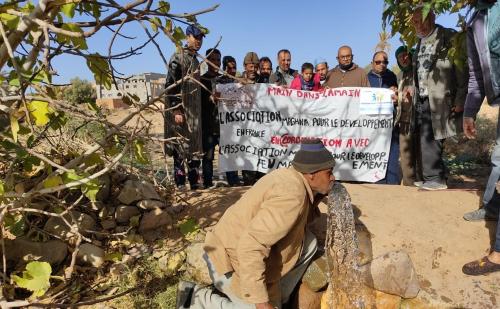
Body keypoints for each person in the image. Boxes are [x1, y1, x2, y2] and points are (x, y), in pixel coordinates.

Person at [177, 138, 336, 309]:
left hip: (239, 252)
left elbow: (291, 223)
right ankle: (199, 296)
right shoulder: (292, 195)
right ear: (311, 174)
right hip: (228, 261)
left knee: (309, 243)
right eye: (329, 173)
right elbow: (250, 246)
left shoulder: (293, 178)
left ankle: (278, 299)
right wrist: (261, 302)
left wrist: (316, 197)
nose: (333, 177)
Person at [410, 5, 468, 191]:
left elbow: (461, 70)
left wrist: (460, 100)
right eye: (415, 22)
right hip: (422, 97)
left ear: (432, 18)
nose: (418, 25)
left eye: (422, 20)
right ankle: (433, 176)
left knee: (432, 137)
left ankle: (435, 179)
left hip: (441, 96)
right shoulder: (419, 41)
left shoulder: (449, 37)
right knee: (423, 136)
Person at [461, 0, 500, 276]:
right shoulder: (475, 20)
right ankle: (494, 208)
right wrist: (469, 111)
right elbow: (476, 74)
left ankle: (498, 253)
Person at [164, 25, 205, 190]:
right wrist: (176, 109)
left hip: (194, 114)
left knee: (194, 148)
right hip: (181, 113)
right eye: (196, 37)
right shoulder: (178, 57)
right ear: (187, 36)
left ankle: (194, 182)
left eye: (201, 38)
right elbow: (170, 85)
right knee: (180, 148)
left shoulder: (195, 60)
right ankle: (180, 184)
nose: (198, 41)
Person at [367, 51, 401, 184]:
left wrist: (396, 96)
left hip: (390, 123)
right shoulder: (366, 78)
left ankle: (392, 182)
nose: (382, 64)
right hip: (371, 124)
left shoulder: (392, 77)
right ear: (372, 63)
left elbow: (398, 98)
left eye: (385, 62)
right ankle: (376, 181)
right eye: (378, 62)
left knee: (392, 151)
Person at [394, 46, 423, 186]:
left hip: (419, 119)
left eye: (406, 55)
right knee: (405, 155)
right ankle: (408, 184)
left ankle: (424, 180)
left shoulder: (419, 72)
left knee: (421, 153)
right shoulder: (399, 75)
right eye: (400, 57)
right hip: (403, 121)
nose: (403, 59)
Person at [215, 55, 241, 186]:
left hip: (235, 124)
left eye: (234, 67)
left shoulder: (240, 82)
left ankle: (233, 180)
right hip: (220, 123)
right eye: (230, 68)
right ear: (224, 68)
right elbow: (215, 99)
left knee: (233, 152)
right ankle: (210, 181)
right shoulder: (219, 81)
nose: (232, 70)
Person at [241, 52, 266, 185]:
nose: (253, 69)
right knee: (248, 164)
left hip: (262, 131)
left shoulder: (264, 81)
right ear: (245, 66)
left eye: (255, 66)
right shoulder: (237, 82)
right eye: (250, 66)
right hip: (245, 131)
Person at [200, 48, 222, 189]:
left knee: (227, 154)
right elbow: (199, 104)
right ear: (207, 61)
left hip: (223, 126)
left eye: (218, 60)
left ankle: (231, 181)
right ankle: (207, 183)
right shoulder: (201, 81)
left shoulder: (224, 80)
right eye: (212, 59)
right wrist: (210, 99)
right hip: (208, 126)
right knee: (207, 157)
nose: (215, 63)